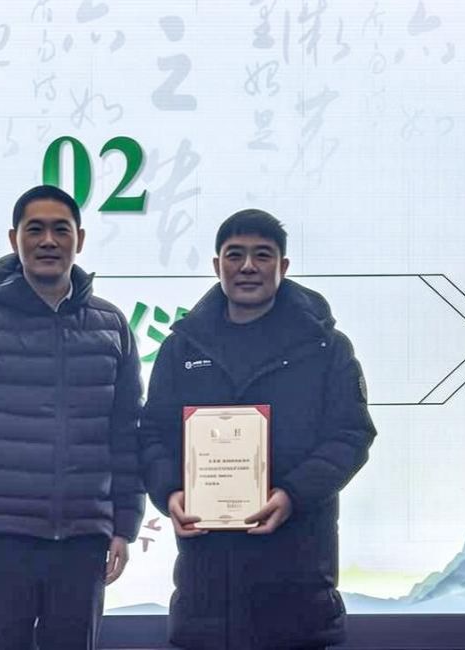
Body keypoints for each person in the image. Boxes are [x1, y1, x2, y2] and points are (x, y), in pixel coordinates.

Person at [139, 209, 377, 649]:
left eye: (262, 255)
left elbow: (351, 434)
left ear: (282, 266)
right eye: (235, 255)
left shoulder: (325, 347)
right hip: (206, 585)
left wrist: (293, 494)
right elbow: (153, 433)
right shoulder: (181, 348)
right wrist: (169, 492)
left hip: (298, 578)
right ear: (217, 265)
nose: (248, 266)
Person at [0, 185, 144, 649]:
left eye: (60, 230)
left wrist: (124, 526)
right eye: (34, 229)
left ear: (79, 239)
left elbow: (126, 436)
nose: (48, 241)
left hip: (83, 538)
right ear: (13, 239)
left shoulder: (111, 327)